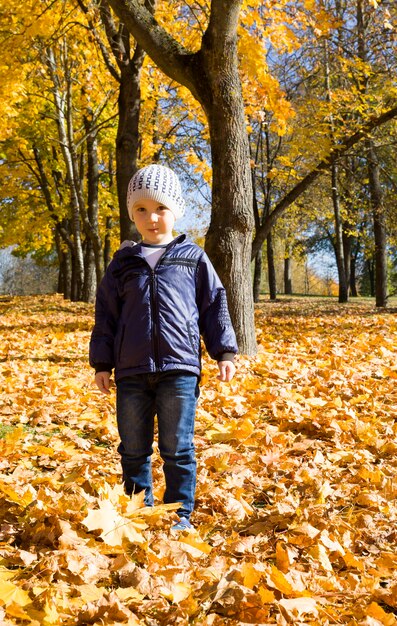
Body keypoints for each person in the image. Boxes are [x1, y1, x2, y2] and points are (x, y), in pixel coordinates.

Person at [89, 163, 237, 531]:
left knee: (177, 448)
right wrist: (102, 364)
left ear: (175, 210)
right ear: (131, 214)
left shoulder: (193, 258)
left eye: (160, 208)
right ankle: (139, 513)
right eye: (141, 209)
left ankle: (178, 516)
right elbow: (106, 315)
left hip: (180, 370)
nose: (151, 217)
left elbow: (214, 304)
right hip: (132, 372)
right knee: (133, 450)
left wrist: (224, 352)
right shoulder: (123, 263)